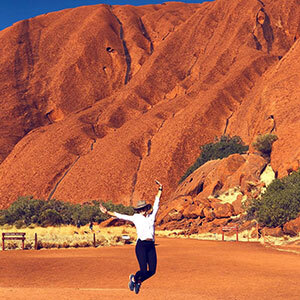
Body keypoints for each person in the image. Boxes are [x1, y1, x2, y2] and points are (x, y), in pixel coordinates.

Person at [99, 181, 163, 294]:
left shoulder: (151, 216)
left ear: (147, 209)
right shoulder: (136, 217)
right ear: (138, 210)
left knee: (152, 271)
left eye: (144, 209)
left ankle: (138, 281)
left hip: (151, 246)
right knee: (143, 269)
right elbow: (121, 216)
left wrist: (160, 189)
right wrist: (107, 212)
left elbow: (157, 203)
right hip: (141, 246)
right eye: (141, 209)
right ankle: (134, 279)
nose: (143, 211)